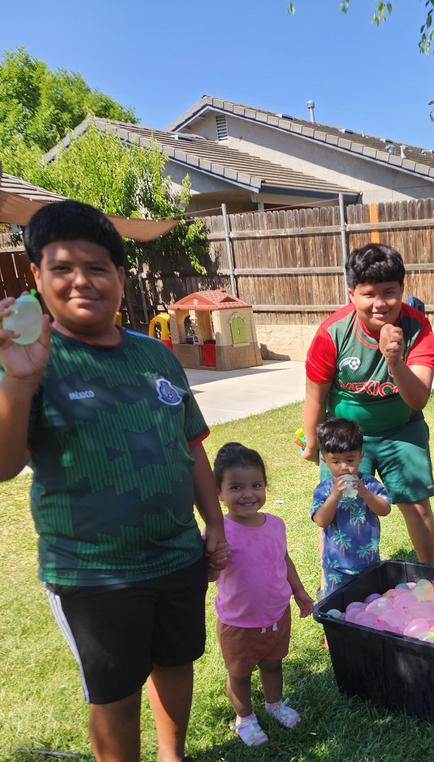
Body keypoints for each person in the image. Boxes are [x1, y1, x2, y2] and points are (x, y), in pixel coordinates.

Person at [0, 200, 229, 762]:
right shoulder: (29, 360)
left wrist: (216, 524)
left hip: (177, 556)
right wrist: (17, 381)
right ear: (37, 276)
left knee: (176, 664)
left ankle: (173, 757)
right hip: (93, 572)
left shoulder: (156, 356)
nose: (82, 281)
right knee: (115, 693)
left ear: (120, 276)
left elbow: (191, 446)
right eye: (62, 268)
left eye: (97, 267)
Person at [303, 243, 434, 563]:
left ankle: (430, 573)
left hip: (401, 429)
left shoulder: (418, 327)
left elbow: (418, 398)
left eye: (389, 292)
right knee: (338, 507)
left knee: (416, 505)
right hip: (347, 436)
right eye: (369, 294)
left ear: (403, 289)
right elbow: (315, 394)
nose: (380, 304)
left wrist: (395, 362)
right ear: (352, 293)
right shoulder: (332, 333)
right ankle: (333, 580)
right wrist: (313, 443)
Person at [211, 443, 314, 748]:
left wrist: (299, 591)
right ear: (218, 492)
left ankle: (275, 703)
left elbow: (283, 559)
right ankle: (244, 717)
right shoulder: (220, 531)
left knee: (273, 663)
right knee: (239, 673)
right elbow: (208, 575)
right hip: (239, 622)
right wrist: (213, 560)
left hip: (276, 613)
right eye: (236, 487)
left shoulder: (275, 524)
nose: (247, 494)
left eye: (256, 485)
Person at [311, 418, 392, 595]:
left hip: (369, 563)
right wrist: (334, 496)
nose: (344, 468)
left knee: (369, 602)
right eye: (336, 461)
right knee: (338, 606)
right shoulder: (324, 489)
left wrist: (365, 493)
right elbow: (321, 521)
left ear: (360, 456)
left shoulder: (369, 483)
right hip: (336, 567)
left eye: (350, 460)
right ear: (325, 460)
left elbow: (385, 509)